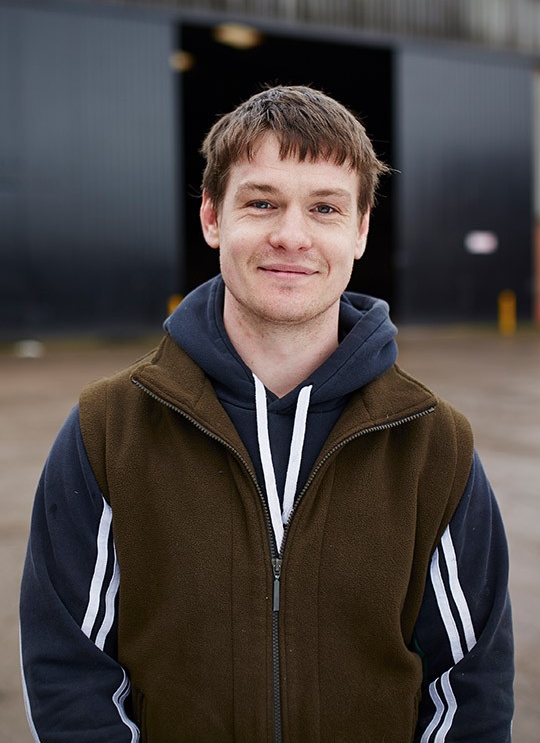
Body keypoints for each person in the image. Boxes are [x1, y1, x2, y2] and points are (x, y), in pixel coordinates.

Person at [20, 85, 514, 742]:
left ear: (361, 231)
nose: (291, 235)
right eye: (261, 203)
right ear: (212, 218)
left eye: (325, 208)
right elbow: (69, 673)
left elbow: (469, 691)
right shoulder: (108, 428)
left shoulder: (433, 443)